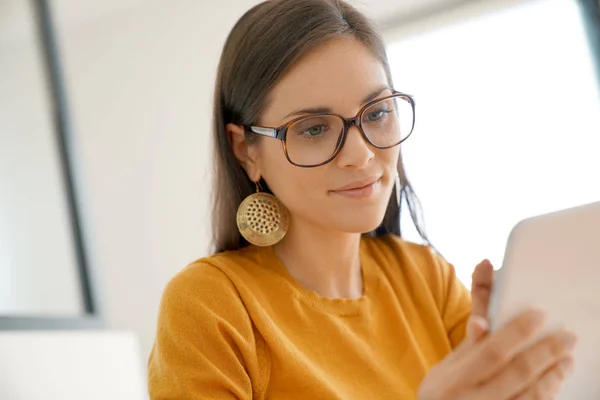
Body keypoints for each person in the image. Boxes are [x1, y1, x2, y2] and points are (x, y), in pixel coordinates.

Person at [148, 0, 577, 398]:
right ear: (246, 151)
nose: (361, 154)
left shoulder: (427, 278)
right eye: (313, 128)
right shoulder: (211, 306)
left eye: (376, 113)